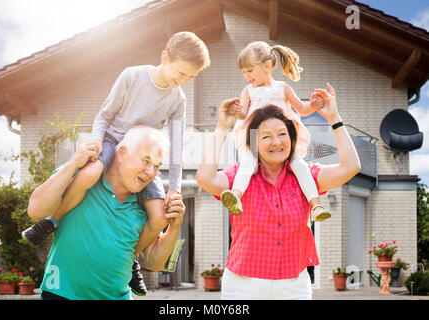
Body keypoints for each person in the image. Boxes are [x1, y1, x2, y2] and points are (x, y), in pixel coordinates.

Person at [22, 31, 210, 295]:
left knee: (158, 215)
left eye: (191, 77)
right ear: (165, 58)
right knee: (87, 176)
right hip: (112, 142)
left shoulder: (178, 99)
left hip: (144, 152)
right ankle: (51, 221)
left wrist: (174, 188)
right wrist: (97, 144)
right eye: (181, 73)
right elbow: (104, 115)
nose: (184, 81)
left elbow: (176, 150)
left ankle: (131, 259)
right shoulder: (132, 76)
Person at [196, 83, 361, 300]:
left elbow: (351, 167)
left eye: (282, 134)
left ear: (292, 139)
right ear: (253, 143)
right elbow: (205, 178)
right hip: (243, 286)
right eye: (265, 136)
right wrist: (221, 128)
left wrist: (334, 118)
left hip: (294, 286)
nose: (276, 142)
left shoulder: (306, 177)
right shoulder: (241, 177)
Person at [27, 126, 186, 300]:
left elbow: (154, 263)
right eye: (146, 161)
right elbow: (35, 210)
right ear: (122, 153)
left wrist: (175, 226)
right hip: (61, 295)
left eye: (156, 166)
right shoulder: (81, 175)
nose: (150, 173)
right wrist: (73, 164)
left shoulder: (147, 204)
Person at [220, 41, 330, 222]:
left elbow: (302, 109)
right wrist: (235, 111)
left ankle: (316, 205)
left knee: (298, 165)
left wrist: (314, 105)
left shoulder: (282, 88)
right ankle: (236, 196)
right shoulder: (248, 90)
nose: (246, 76)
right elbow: (243, 114)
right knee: (248, 161)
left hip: (282, 136)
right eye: (244, 72)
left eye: (249, 70)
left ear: (267, 66)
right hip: (256, 135)